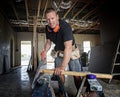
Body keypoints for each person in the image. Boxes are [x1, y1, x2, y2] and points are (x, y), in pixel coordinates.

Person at [42, 7, 82, 93]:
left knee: (77, 75)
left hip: (71, 52)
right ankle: (62, 92)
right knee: (59, 74)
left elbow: (68, 48)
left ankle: (80, 92)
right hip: (59, 52)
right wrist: (45, 51)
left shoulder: (65, 27)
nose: (50, 21)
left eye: (52, 18)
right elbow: (48, 42)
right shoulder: (47, 28)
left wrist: (62, 67)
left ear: (57, 17)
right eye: (48, 19)